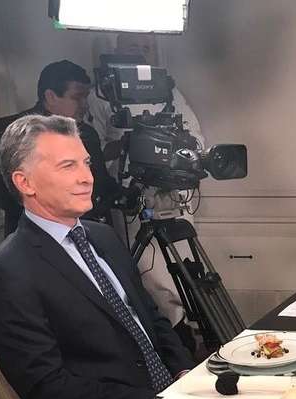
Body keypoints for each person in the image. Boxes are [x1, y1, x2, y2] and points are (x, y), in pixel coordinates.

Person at [0, 115, 194, 399]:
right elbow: (49, 388)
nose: (87, 177)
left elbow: (150, 318)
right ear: (24, 182)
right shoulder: (4, 273)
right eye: (68, 166)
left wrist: (184, 372)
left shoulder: (103, 236)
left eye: (86, 163)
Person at [87, 32, 205, 334]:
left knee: (185, 262)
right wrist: (128, 145)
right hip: (133, 192)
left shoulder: (168, 89)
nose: (139, 52)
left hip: (173, 189)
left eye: (146, 47)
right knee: (151, 271)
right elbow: (93, 149)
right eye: (132, 46)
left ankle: (195, 327)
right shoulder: (102, 94)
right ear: (118, 48)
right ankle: (173, 330)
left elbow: (194, 134)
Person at [0, 60, 119, 236]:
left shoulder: (87, 133)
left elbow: (100, 181)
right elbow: (0, 193)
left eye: (86, 97)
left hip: (89, 233)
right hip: (35, 239)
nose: (85, 104)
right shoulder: (9, 131)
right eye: (77, 97)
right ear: (50, 97)